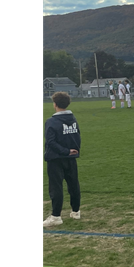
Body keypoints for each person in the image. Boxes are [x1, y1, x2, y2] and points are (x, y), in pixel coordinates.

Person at [43, 92, 82, 228]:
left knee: (56, 187)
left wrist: (65, 151)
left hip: (56, 158)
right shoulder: (73, 119)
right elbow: (77, 136)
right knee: (73, 184)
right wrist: (74, 151)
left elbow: (51, 142)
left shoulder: (51, 122)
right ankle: (76, 211)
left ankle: (56, 216)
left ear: (55, 104)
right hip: (71, 158)